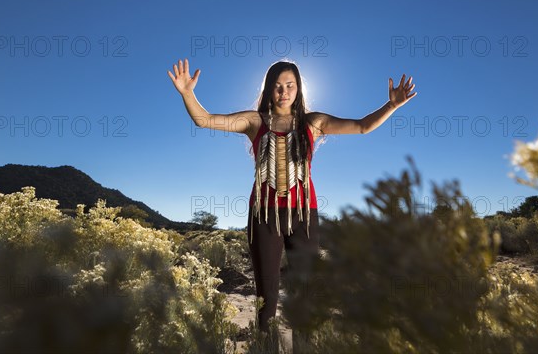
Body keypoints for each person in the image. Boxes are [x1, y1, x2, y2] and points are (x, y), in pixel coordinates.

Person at [167, 58, 417, 350]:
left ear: (298, 89)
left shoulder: (314, 123)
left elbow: (362, 127)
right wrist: (187, 94)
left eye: (290, 85)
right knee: (266, 297)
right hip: (264, 216)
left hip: (304, 215)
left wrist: (392, 105)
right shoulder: (255, 121)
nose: (283, 92)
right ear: (268, 89)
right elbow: (205, 120)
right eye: (277, 86)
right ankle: (266, 347)